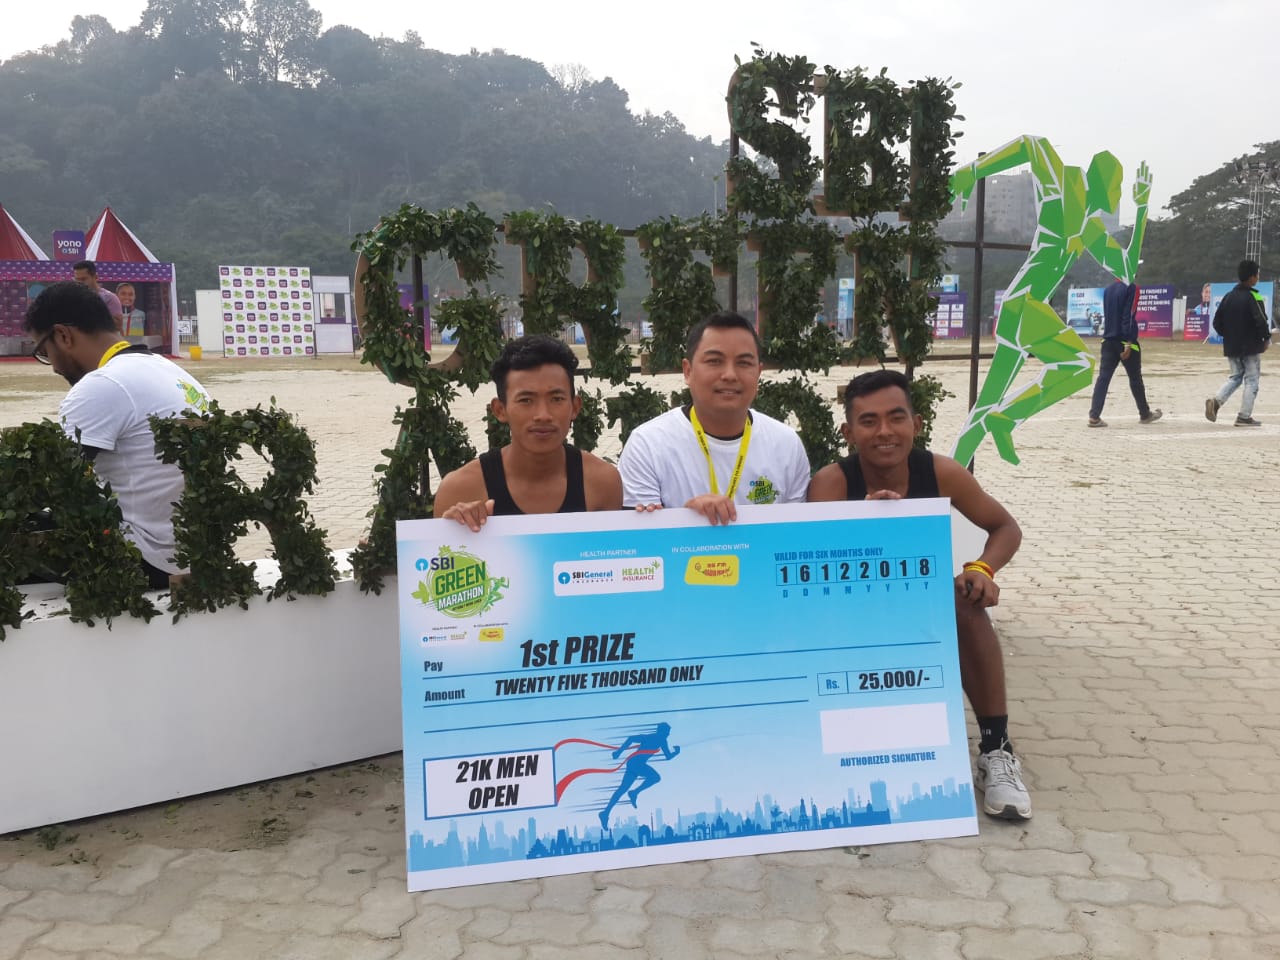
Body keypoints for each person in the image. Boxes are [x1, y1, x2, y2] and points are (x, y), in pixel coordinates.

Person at [808, 369, 1031, 820]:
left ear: (918, 423)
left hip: (917, 610)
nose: (885, 431)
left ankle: (996, 749)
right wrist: (859, 526)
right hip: (846, 616)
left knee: (963, 601)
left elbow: (1006, 526)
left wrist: (982, 569)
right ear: (848, 432)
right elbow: (810, 572)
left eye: (896, 417)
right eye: (869, 421)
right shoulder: (832, 485)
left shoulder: (942, 472)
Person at [24, 281, 211, 589]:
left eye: (45, 352)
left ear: (63, 335)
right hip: (195, 552)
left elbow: (50, 484)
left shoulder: (101, 385)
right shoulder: (173, 373)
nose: (53, 366)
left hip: (145, 560)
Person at [618, 310, 809, 524]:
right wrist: (686, 519)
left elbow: (794, 534)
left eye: (744, 363)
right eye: (715, 361)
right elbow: (640, 543)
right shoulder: (647, 445)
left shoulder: (787, 445)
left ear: (759, 372)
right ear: (688, 371)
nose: (729, 375)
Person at [433, 335, 622, 527]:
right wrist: (455, 530)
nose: (543, 415)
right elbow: (441, 554)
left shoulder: (602, 482)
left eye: (556, 399)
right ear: (500, 410)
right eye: (526, 400)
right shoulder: (459, 490)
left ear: (574, 407)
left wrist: (652, 522)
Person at [1087, 279, 1162, 427]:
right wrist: (1128, 342)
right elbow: (1128, 314)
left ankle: (1094, 416)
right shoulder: (1132, 288)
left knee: (1103, 378)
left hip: (1107, 340)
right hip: (1125, 341)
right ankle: (1144, 414)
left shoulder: (1108, 289)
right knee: (1135, 378)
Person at [1205, 259, 1270, 427]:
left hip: (1232, 346)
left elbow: (1216, 323)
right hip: (1250, 346)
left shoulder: (1228, 297)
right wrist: (1265, 338)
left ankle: (1216, 401)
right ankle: (1244, 416)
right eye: (1257, 274)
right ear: (1252, 277)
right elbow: (1261, 321)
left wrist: (1229, 336)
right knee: (1252, 380)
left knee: (1235, 377)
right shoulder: (1253, 296)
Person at [72, 260, 124, 334]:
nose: (80, 283)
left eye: (83, 279)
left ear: (95, 277)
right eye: (77, 280)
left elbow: (118, 325)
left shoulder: (109, 298)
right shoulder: (71, 297)